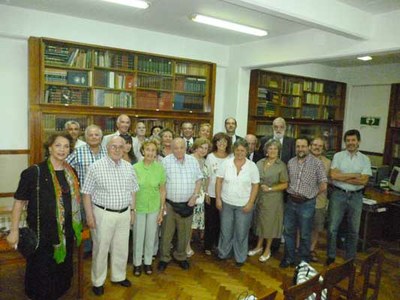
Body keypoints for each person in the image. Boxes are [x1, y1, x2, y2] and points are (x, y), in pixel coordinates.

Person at [7, 133, 82, 300]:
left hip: (65, 235)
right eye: (58, 145)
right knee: (40, 278)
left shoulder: (72, 173)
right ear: (50, 147)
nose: (62, 149)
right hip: (42, 236)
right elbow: (19, 203)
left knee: (61, 276)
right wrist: (14, 231)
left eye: (66, 146)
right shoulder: (34, 172)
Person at [82, 136, 139, 296]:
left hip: (124, 213)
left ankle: (118, 276)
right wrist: (89, 216)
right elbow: (86, 194)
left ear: (125, 149)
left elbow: (133, 190)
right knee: (101, 249)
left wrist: (132, 211)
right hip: (102, 214)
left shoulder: (129, 167)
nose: (117, 149)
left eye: (120, 147)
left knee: (121, 248)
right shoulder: (95, 167)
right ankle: (98, 281)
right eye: (113, 146)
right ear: (107, 147)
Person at [280, 137, 327, 268]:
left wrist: (311, 196)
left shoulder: (317, 163)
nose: (300, 149)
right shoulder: (291, 162)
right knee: (289, 232)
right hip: (291, 202)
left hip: (307, 204)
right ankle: (289, 258)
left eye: (303, 146)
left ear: (309, 147)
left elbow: (323, 185)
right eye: (298, 146)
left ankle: (303, 261)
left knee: (305, 234)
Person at [326, 129, 371, 265]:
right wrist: (355, 175)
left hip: (356, 197)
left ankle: (350, 258)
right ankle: (331, 255)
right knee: (332, 228)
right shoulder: (338, 156)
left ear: (358, 142)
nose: (350, 143)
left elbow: (364, 181)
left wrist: (343, 176)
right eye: (348, 140)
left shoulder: (365, 159)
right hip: (338, 194)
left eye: (353, 140)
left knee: (354, 230)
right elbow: (333, 176)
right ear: (345, 142)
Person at [158, 138, 203, 272]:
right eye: (176, 148)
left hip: (188, 204)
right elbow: (162, 184)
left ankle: (181, 257)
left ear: (185, 148)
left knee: (184, 234)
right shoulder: (165, 161)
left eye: (181, 147)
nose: (179, 150)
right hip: (170, 204)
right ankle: (164, 258)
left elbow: (199, 179)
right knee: (166, 233)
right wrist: (163, 203)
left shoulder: (193, 161)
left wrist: (195, 196)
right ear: (171, 149)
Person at [216, 139, 260, 267]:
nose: (240, 152)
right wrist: (218, 199)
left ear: (246, 151)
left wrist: (251, 203)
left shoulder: (252, 166)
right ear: (233, 150)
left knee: (241, 232)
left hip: (244, 205)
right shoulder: (226, 163)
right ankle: (224, 253)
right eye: (237, 150)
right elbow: (219, 181)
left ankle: (240, 257)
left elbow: (255, 185)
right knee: (225, 230)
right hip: (226, 203)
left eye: (242, 150)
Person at [66, 124, 107, 256]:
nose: (94, 137)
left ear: (101, 137)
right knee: (87, 223)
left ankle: (101, 249)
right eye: (90, 135)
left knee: (102, 224)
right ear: (86, 137)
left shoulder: (107, 152)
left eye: (96, 135)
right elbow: (65, 167)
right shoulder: (78, 152)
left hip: (104, 196)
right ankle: (87, 250)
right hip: (85, 197)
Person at [248, 139, 288, 262]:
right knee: (260, 222)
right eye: (270, 148)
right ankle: (259, 246)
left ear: (278, 151)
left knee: (270, 225)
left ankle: (267, 249)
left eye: (275, 149)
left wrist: (270, 188)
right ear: (266, 150)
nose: (272, 151)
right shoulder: (259, 162)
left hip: (273, 199)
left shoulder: (281, 165)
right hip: (259, 197)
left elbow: (285, 184)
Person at [132, 140, 166, 276]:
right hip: (138, 207)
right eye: (148, 150)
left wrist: (161, 210)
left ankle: (147, 262)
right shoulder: (135, 168)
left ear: (156, 153)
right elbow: (132, 191)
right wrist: (132, 210)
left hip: (154, 207)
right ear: (143, 151)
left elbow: (163, 190)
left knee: (151, 236)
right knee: (138, 236)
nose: (150, 153)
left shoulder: (160, 168)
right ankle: (137, 264)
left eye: (153, 150)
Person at [204, 132, 232, 255]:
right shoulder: (210, 157)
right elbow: (207, 176)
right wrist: (205, 192)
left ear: (227, 144)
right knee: (211, 221)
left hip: (226, 195)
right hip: (212, 194)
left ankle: (218, 245)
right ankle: (208, 245)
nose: (222, 144)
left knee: (223, 223)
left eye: (224, 142)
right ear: (215, 143)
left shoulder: (231, 157)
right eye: (219, 141)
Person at [187, 137, 211, 257]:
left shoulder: (204, 161)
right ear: (196, 147)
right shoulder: (189, 159)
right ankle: (186, 245)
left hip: (200, 197)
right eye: (201, 147)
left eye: (206, 148)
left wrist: (206, 193)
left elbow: (207, 179)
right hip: (191, 195)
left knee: (195, 222)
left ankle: (188, 243)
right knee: (188, 222)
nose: (203, 150)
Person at [309, 137, 331, 262]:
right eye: (315, 145)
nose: (317, 147)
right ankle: (298, 248)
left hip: (320, 201)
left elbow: (326, 183)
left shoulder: (328, 163)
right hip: (304, 200)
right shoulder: (303, 159)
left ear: (323, 149)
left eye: (320, 146)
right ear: (310, 146)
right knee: (301, 227)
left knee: (316, 228)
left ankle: (311, 249)